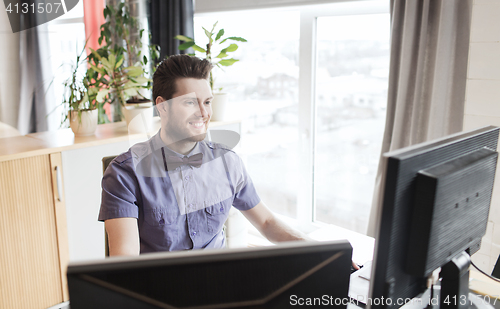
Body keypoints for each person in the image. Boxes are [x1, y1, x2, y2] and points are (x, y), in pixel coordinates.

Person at [98, 54, 309, 256]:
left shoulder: (228, 162)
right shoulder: (124, 173)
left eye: (207, 102)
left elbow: (266, 223)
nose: (203, 112)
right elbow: (126, 258)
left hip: (220, 284)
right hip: (159, 289)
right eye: (190, 102)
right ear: (162, 107)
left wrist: (316, 250)